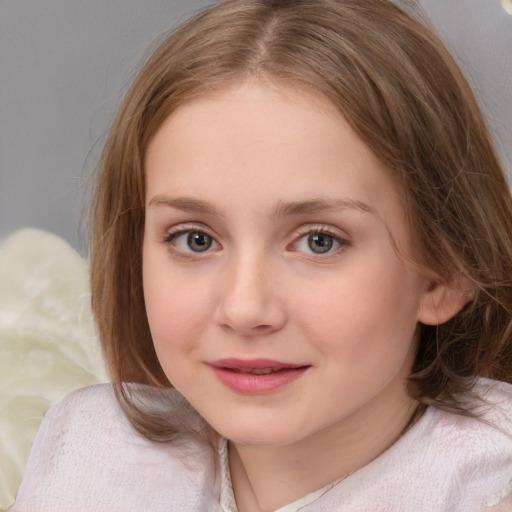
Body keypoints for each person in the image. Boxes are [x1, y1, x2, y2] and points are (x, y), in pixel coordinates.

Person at [10, 0, 512, 510]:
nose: (245, 309)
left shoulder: (485, 488)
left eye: (319, 241)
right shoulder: (92, 458)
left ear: (444, 273)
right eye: (195, 239)